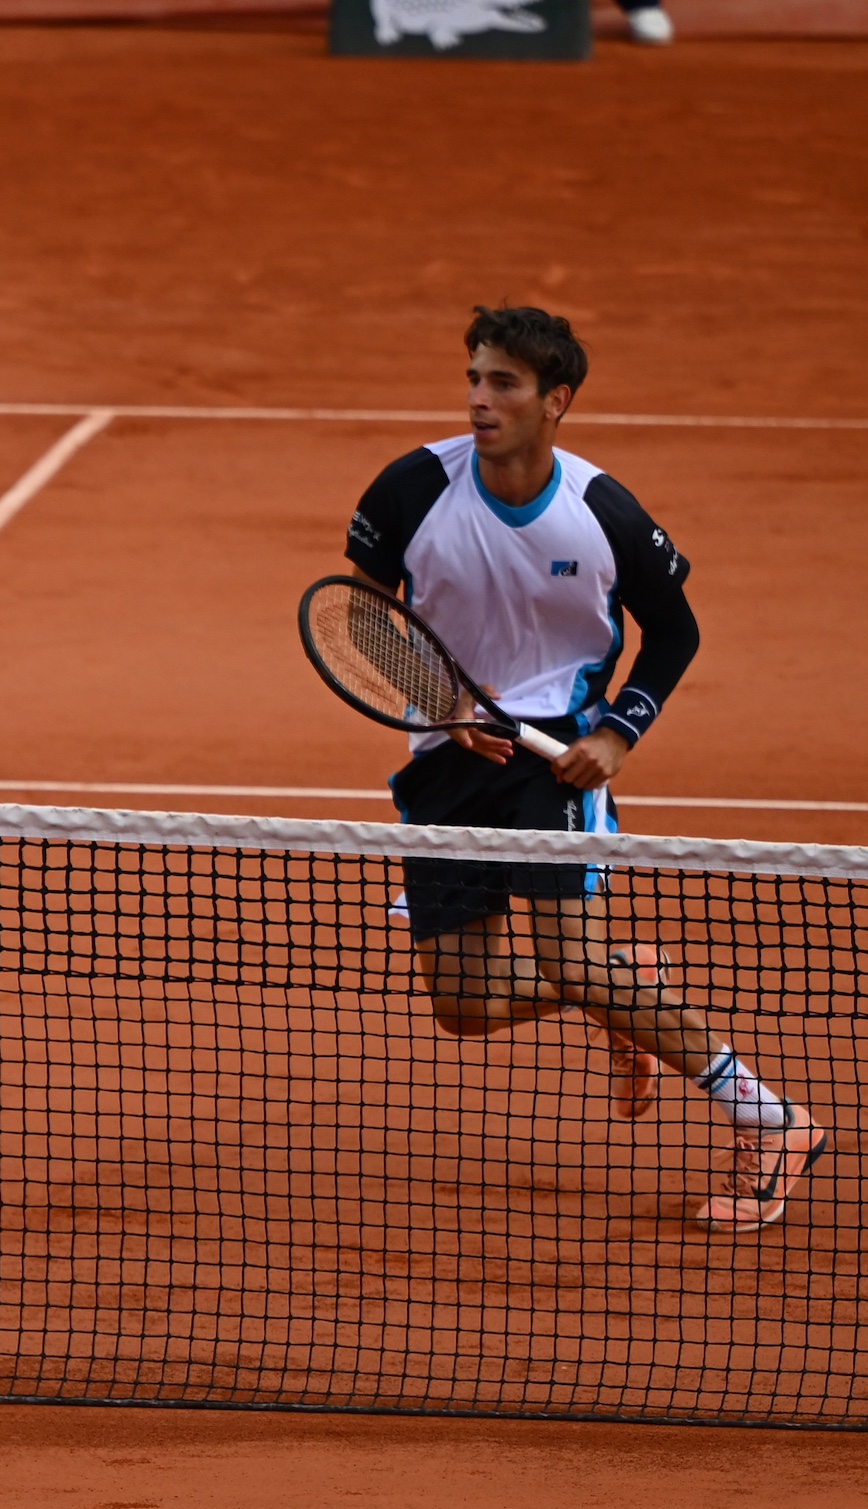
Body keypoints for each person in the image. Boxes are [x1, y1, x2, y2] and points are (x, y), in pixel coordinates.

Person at [344, 305, 823, 1231]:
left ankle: (773, 1120)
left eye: (505, 385)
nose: (481, 400)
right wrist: (439, 701)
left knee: (567, 957)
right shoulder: (412, 487)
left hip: (553, 762)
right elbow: (362, 614)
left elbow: (674, 629)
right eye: (475, 379)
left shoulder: (602, 510)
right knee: (465, 1005)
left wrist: (620, 736)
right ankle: (622, 987)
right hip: (447, 760)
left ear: (554, 402)